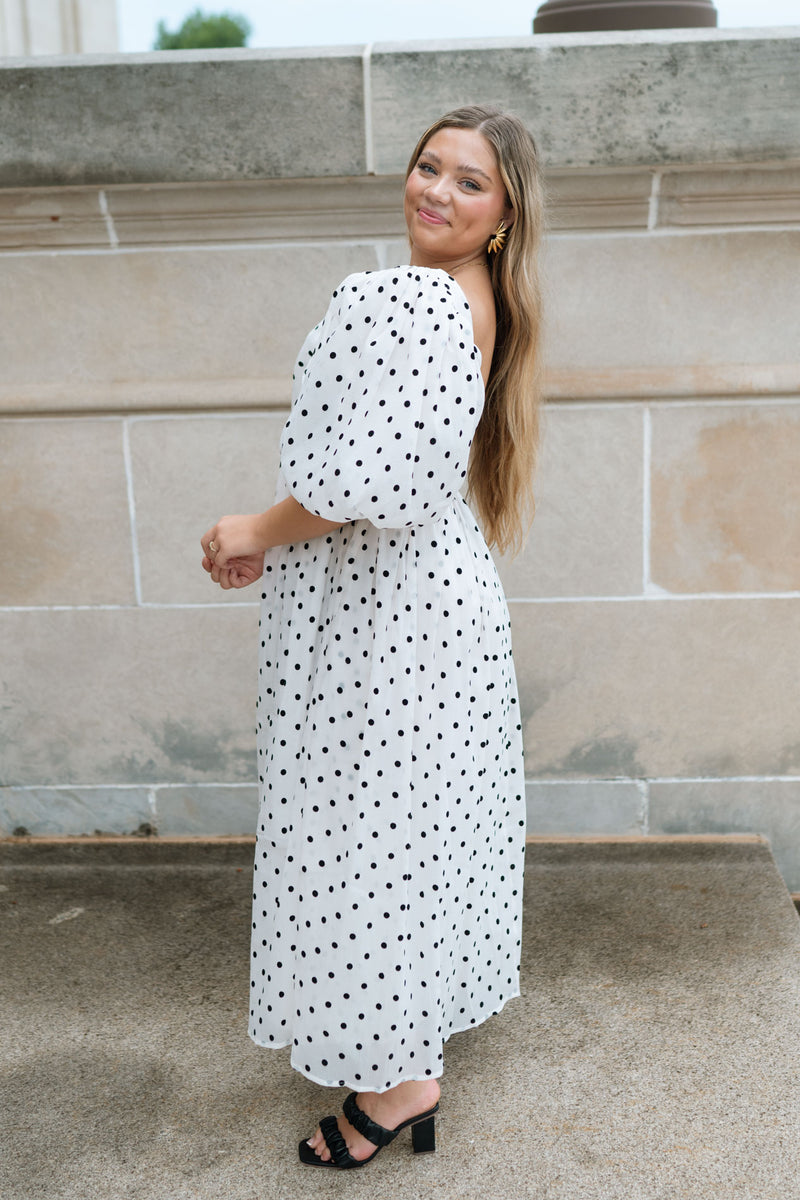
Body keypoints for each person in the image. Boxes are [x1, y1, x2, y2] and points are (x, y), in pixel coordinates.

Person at [200, 104, 545, 1170]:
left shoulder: (406, 299)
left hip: (382, 614)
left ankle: (396, 1084)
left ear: (501, 215)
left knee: (364, 836)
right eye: (425, 166)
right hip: (431, 602)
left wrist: (250, 528)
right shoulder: (476, 304)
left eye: (467, 182)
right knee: (408, 832)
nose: (434, 191)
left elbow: (358, 485)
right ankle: (403, 1051)